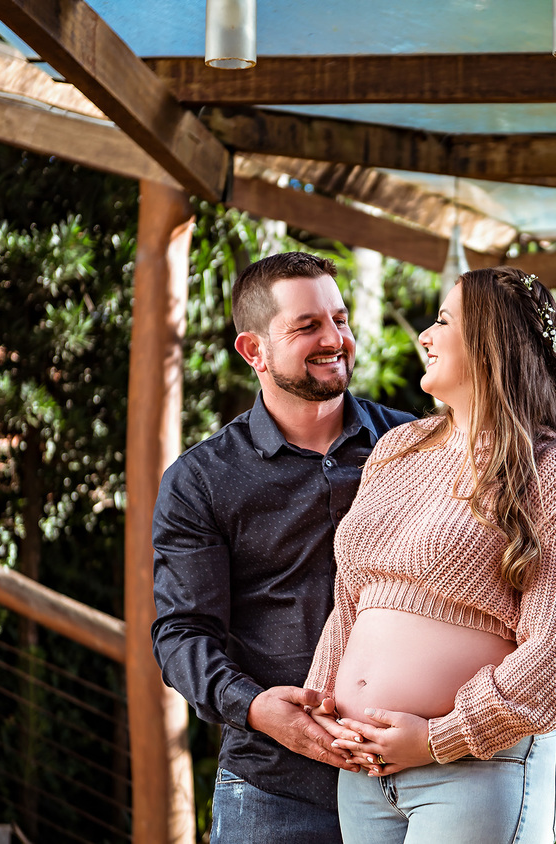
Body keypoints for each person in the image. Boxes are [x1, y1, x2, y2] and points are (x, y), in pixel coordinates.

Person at [305, 266, 556, 844]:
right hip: (364, 774)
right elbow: (352, 600)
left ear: (492, 344)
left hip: (473, 771)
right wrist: (324, 699)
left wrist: (437, 738)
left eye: (444, 321)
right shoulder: (398, 450)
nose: (425, 335)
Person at [150, 252, 413, 843]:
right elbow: (182, 633)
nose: (335, 339)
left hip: (416, 784)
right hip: (274, 789)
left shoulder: (414, 444)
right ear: (254, 351)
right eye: (307, 326)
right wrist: (254, 706)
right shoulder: (202, 480)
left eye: (339, 319)